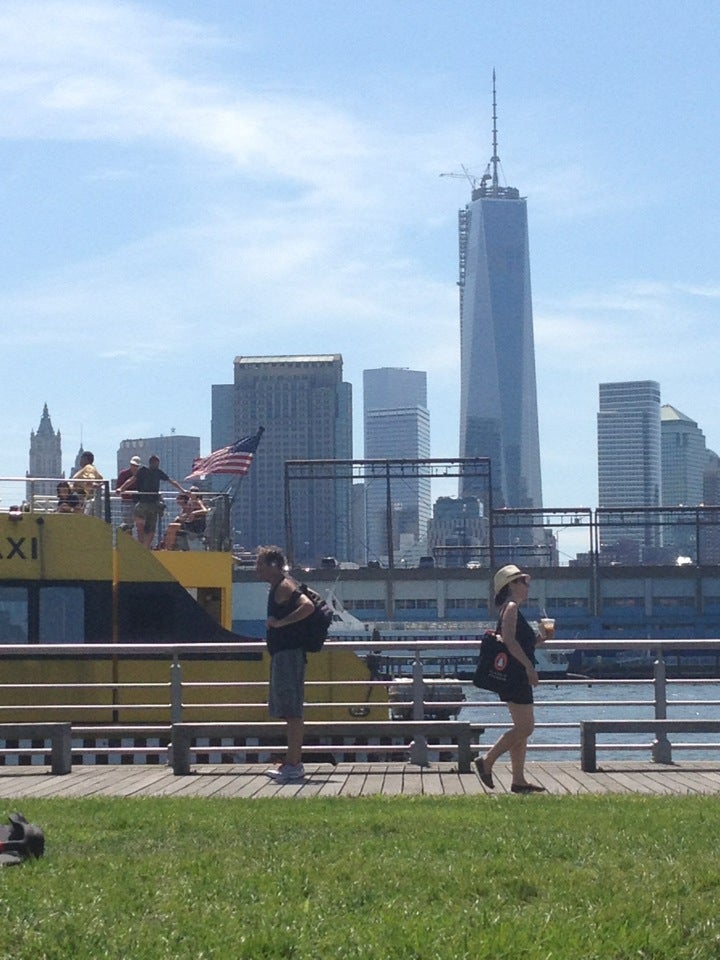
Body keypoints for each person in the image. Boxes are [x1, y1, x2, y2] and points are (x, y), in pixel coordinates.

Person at [474, 564, 550, 794]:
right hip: (516, 675)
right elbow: (508, 639)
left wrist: (539, 639)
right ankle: (487, 761)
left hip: (515, 674)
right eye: (523, 582)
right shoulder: (512, 608)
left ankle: (518, 780)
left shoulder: (512, 609)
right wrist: (529, 667)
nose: (527, 587)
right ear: (512, 585)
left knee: (521, 727)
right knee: (526, 727)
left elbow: (518, 642)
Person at [255, 545, 314, 783]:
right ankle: (291, 762)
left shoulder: (285, 586)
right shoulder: (279, 586)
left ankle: (294, 765)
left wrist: (281, 624)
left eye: (260, 564)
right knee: (289, 709)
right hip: (284, 654)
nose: (256, 568)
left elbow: (308, 606)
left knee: (292, 710)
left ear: (273, 566)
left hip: (289, 655)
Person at [118, 454, 185, 548]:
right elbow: (172, 482)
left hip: (145, 504)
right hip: (150, 504)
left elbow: (131, 480)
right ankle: (144, 546)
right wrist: (183, 490)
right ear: (156, 463)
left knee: (143, 526)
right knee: (148, 528)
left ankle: (143, 546)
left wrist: (121, 489)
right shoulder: (154, 472)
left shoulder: (145, 471)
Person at [115, 455, 141, 528]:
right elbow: (118, 488)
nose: (134, 467)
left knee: (139, 524)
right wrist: (128, 492)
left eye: (136, 465)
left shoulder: (141, 475)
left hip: (138, 502)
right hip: (127, 501)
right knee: (128, 524)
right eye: (132, 465)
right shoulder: (123, 474)